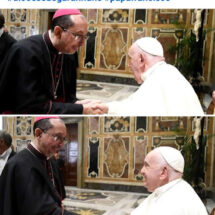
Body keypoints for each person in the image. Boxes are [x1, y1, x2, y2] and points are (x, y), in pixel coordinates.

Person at [0, 9, 102, 114]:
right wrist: (80, 109)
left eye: (85, 37)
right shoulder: (25, 51)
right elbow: (30, 107)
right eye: (78, 36)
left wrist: (77, 103)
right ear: (58, 32)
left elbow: (67, 97)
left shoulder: (68, 53)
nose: (82, 44)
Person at [97, 37, 204, 115]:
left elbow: (133, 111)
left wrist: (106, 108)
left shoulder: (158, 78)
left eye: (130, 59)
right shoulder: (168, 72)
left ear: (141, 59)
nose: (129, 65)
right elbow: (133, 105)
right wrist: (106, 107)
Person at [0, 116, 77, 215]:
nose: (62, 144)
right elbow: (41, 210)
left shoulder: (50, 160)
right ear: (38, 134)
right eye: (57, 137)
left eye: (64, 139)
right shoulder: (20, 164)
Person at [131, 146, 208, 215]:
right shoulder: (172, 188)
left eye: (147, 165)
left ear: (163, 172)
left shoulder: (174, 203)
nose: (142, 171)